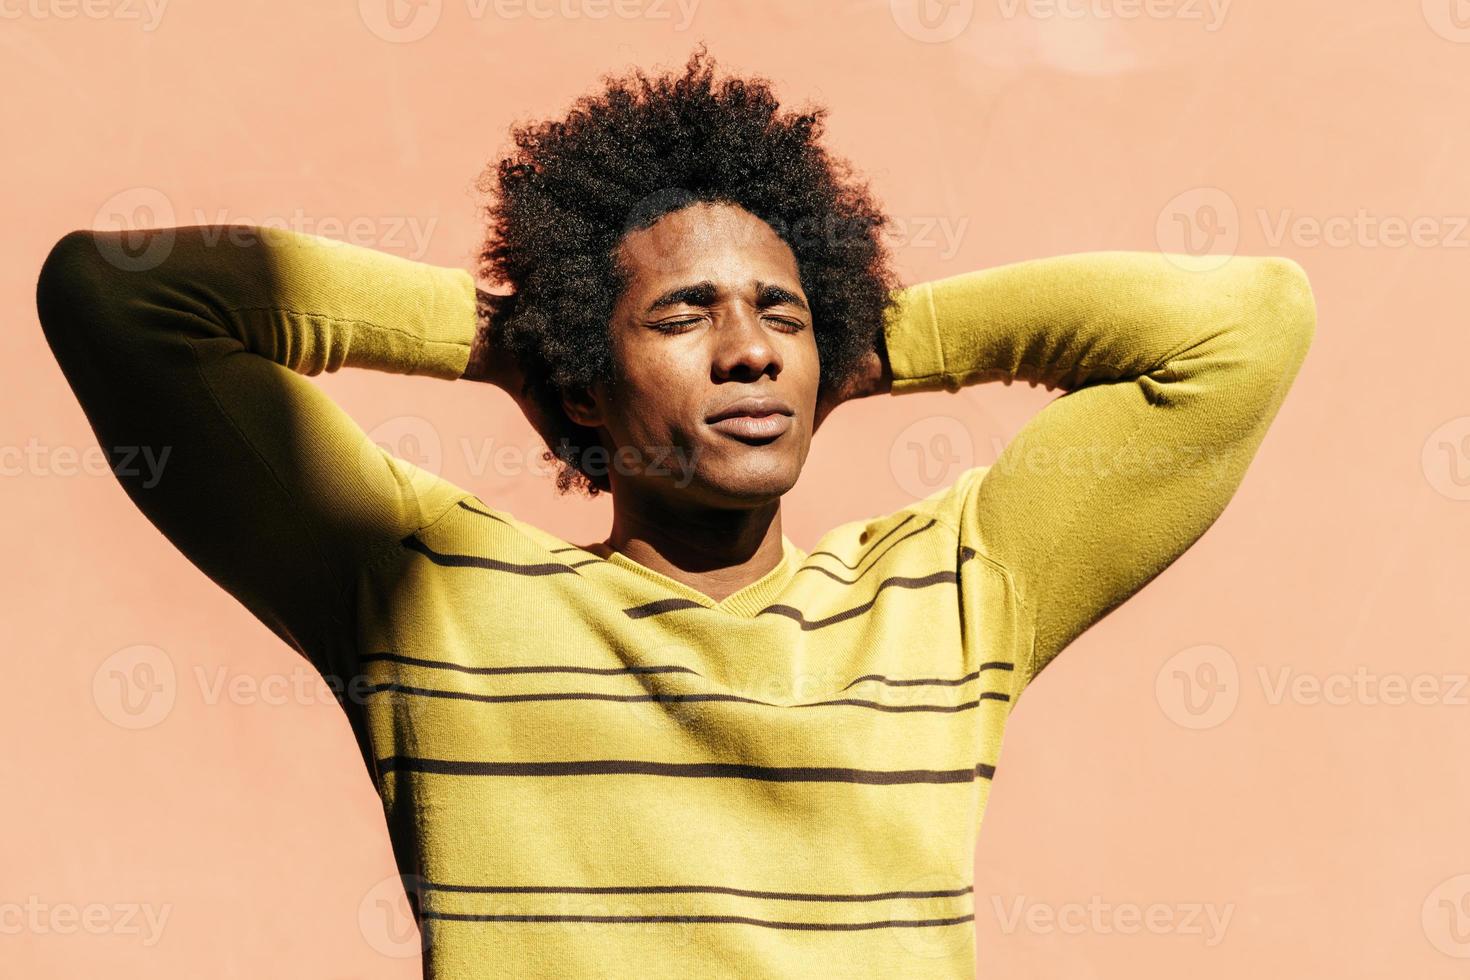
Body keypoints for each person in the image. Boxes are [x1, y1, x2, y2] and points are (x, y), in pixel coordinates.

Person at [35, 45, 1314, 980]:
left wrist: (868, 338)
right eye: (683, 314)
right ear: (587, 378)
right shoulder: (435, 600)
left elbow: (1247, 323)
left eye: (782, 313)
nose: (750, 350)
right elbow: (115, 297)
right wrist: (507, 343)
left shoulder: (952, 590)